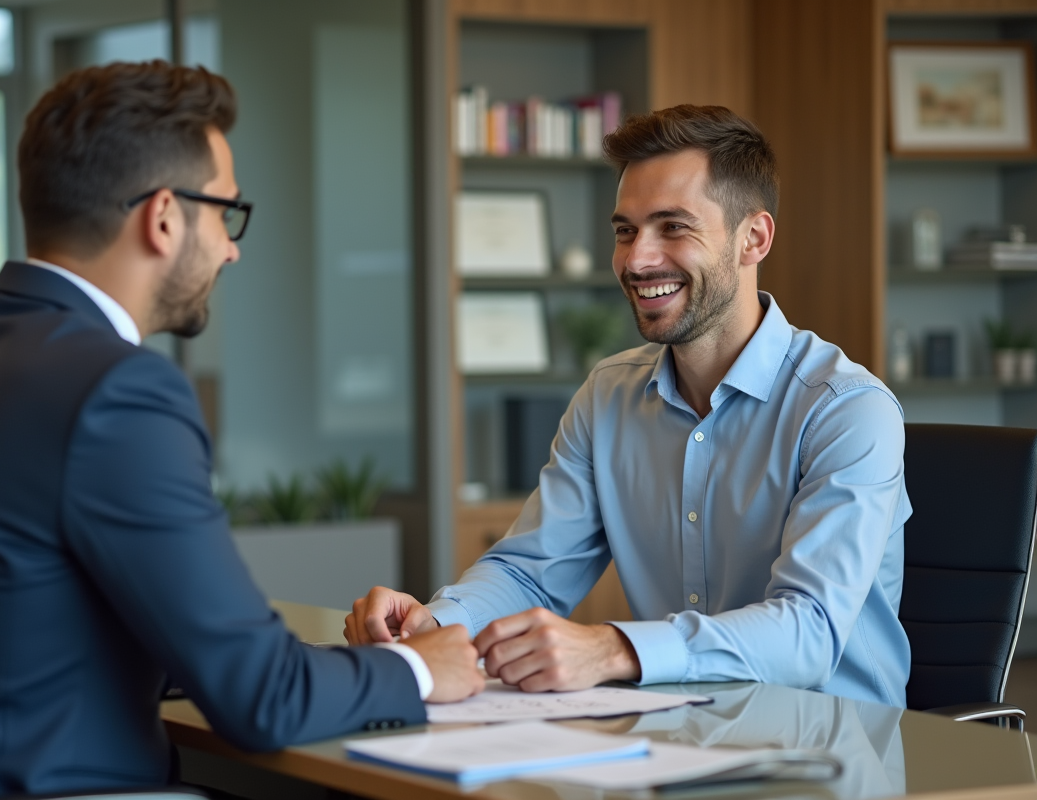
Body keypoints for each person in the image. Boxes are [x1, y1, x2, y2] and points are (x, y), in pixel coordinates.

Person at [0, 61, 482, 798]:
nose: (231, 248)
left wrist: (300, 661)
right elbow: (264, 703)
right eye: (226, 213)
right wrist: (422, 668)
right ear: (163, 216)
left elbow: (37, 624)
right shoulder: (117, 391)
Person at [346, 105, 911, 708]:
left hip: (838, 756)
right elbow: (530, 571)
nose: (637, 260)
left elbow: (809, 631)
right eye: (625, 230)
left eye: (673, 227)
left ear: (754, 238)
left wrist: (614, 649)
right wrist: (434, 623)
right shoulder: (607, 396)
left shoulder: (847, 410)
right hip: (679, 735)